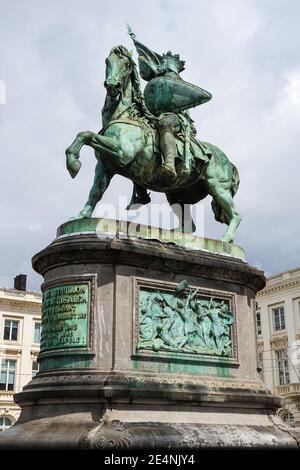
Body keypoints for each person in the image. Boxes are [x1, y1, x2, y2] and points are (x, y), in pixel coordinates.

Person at [128, 26, 212, 182]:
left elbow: (176, 101)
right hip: (154, 115)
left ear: (169, 65)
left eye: (163, 63)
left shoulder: (175, 81)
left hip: (175, 118)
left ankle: (170, 165)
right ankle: (139, 187)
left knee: (164, 124)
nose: (160, 65)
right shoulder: (157, 82)